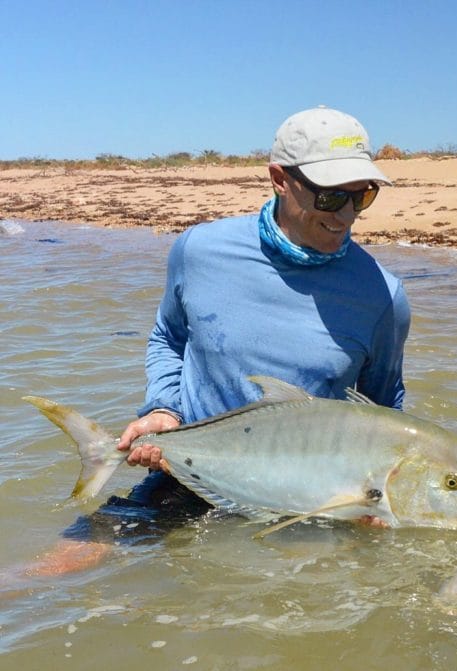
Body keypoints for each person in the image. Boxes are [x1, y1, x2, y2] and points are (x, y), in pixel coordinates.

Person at [14, 106, 410, 581]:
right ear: (280, 179)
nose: (346, 216)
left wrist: (379, 499)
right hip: (191, 480)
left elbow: (383, 410)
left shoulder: (383, 295)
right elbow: (168, 336)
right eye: (329, 197)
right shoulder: (200, 251)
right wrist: (164, 409)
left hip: (313, 502)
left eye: (361, 196)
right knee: (53, 571)